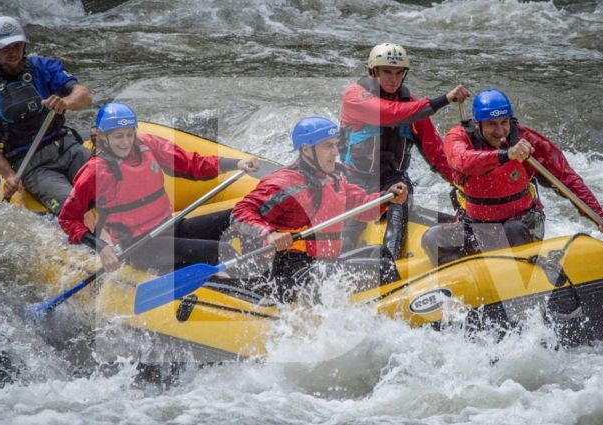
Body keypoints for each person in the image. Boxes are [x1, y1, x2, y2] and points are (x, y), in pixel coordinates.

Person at [421, 89, 603, 265]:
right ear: (477, 124)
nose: (500, 132)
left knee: (512, 230)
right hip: (476, 226)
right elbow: (463, 160)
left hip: (523, 223)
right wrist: (505, 155)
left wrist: (600, 216)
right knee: (432, 238)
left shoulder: (528, 141)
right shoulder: (458, 137)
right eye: (492, 124)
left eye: (504, 122)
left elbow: (567, 179)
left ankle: (520, 287)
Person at [58, 102, 260, 273]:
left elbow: (191, 163)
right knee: (221, 250)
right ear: (103, 137)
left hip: (168, 226)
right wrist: (100, 247)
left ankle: (265, 266)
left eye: (130, 134)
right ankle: (254, 294)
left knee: (240, 215)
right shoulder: (95, 172)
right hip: (139, 247)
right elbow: (68, 218)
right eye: (119, 136)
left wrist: (236, 164)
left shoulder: (148, 145)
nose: (126, 142)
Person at [230, 116, 408, 301]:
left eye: (335, 145)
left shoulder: (332, 177)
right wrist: (270, 234)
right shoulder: (284, 185)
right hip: (289, 271)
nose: (335, 152)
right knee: (381, 268)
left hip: (321, 263)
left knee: (380, 253)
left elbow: (360, 204)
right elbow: (240, 213)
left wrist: (386, 199)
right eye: (327, 146)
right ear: (307, 149)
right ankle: (392, 316)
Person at [339, 42, 470, 259]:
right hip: (356, 179)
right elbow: (391, 113)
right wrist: (444, 100)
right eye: (387, 72)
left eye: (399, 73)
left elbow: (436, 154)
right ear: (373, 72)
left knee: (398, 208)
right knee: (350, 227)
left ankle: (391, 264)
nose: (394, 79)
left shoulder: (412, 105)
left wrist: (464, 185)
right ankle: (338, 262)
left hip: (394, 180)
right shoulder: (354, 96)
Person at [0, 16, 92, 214]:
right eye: (5, 48)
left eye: (17, 45)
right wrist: (9, 175)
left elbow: (85, 95)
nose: (12, 52)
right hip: (29, 165)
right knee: (71, 206)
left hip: (65, 147)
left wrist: (66, 102)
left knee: (110, 179)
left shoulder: (42, 67)